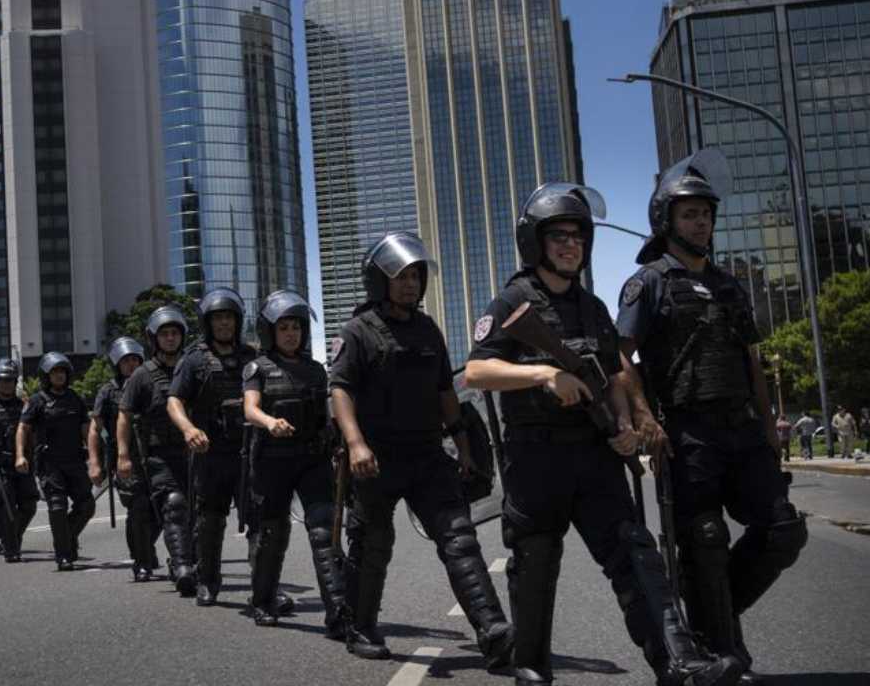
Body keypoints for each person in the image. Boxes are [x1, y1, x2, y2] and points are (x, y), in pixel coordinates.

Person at [470, 184, 739, 686]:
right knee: (535, 563)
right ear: (537, 242)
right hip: (536, 458)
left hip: (594, 455)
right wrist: (544, 376)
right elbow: (477, 371)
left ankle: (679, 664)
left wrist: (623, 424)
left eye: (577, 236)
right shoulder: (513, 299)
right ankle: (530, 666)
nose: (570, 245)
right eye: (559, 237)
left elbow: (613, 373)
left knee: (636, 556)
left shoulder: (592, 307)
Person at [615, 150, 806, 684]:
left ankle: (707, 616)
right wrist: (645, 416)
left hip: (742, 429)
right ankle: (725, 651)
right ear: (667, 221)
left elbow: (751, 359)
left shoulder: (728, 283)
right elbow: (620, 356)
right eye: (689, 214)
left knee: (783, 530)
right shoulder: (649, 282)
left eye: (705, 213)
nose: (700, 222)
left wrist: (770, 427)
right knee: (703, 540)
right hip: (686, 431)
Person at [330, 231, 512, 664]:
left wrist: (464, 447)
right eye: (400, 276)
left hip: (428, 454)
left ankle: (493, 629)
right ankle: (361, 627)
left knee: (459, 537)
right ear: (379, 279)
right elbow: (340, 390)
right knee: (373, 543)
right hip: (376, 457)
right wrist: (355, 444)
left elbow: (445, 391)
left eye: (415, 275)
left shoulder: (428, 329)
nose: (411, 283)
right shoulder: (357, 331)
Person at [242, 290, 348, 635]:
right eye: (284, 327)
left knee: (324, 531)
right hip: (272, 462)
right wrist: (269, 422)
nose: (291, 333)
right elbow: (250, 408)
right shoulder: (257, 368)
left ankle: (339, 613)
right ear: (270, 331)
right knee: (271, 535)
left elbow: (331, 413)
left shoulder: (316, 370)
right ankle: (263, 601)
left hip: (312, 460)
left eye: (296, 327)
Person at [167, 287, 257, 607]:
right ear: (208, 322)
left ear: (237, 321)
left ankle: (265, 584)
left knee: (260, 518)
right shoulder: (194, 358)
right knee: (210, 520)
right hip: (210, 453)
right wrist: (189, 428)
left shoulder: (252, 357)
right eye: (217, 318)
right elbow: (174, 400)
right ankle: (207, 580)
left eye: (228, 318)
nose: (223, 324)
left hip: (248, 452)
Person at [118, 305, 197, 596]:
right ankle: (181, 566)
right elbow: (124, 415)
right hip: (159, 455)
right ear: (155, 338)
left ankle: (197, 562)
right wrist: (123, 456)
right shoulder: (142, 375)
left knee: (198, 512)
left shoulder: (194, 366)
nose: (170, 338)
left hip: (195, 453)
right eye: (164, 334)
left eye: (175, 333)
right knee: (174, 505)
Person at [17, 352, 97, 571]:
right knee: (57, 507)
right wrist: (20, 455)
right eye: (55, 372)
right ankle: (64, 554)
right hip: (50, 463)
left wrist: (94, 457)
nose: (59, 375)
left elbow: (86, 429)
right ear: (47, 375)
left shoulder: (75, 399)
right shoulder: (36, 401)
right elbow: (23, 428)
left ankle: (67, 537)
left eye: (62, 371)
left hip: (75, 461)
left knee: (87, 505)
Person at [93, 337, 160, 580]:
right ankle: (141, 561)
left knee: (162, 508)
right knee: (139, 508)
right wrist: (96, 462)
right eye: (126, 361)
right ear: (117, 364)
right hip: (126, 459)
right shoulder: (108, 391)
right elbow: (95, 428)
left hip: (154, 454)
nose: (131, 365)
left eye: (135, 360)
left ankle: (145, 547)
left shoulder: (151, 383)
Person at [0, 359, 39, 561]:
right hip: (0, 467)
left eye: (11, 380)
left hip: (23, 465)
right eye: (3, 381)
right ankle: (11, 549)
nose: (7, 384)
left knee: (29, 505)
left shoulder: (24, 406)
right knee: (7, 507)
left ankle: (11, 537)